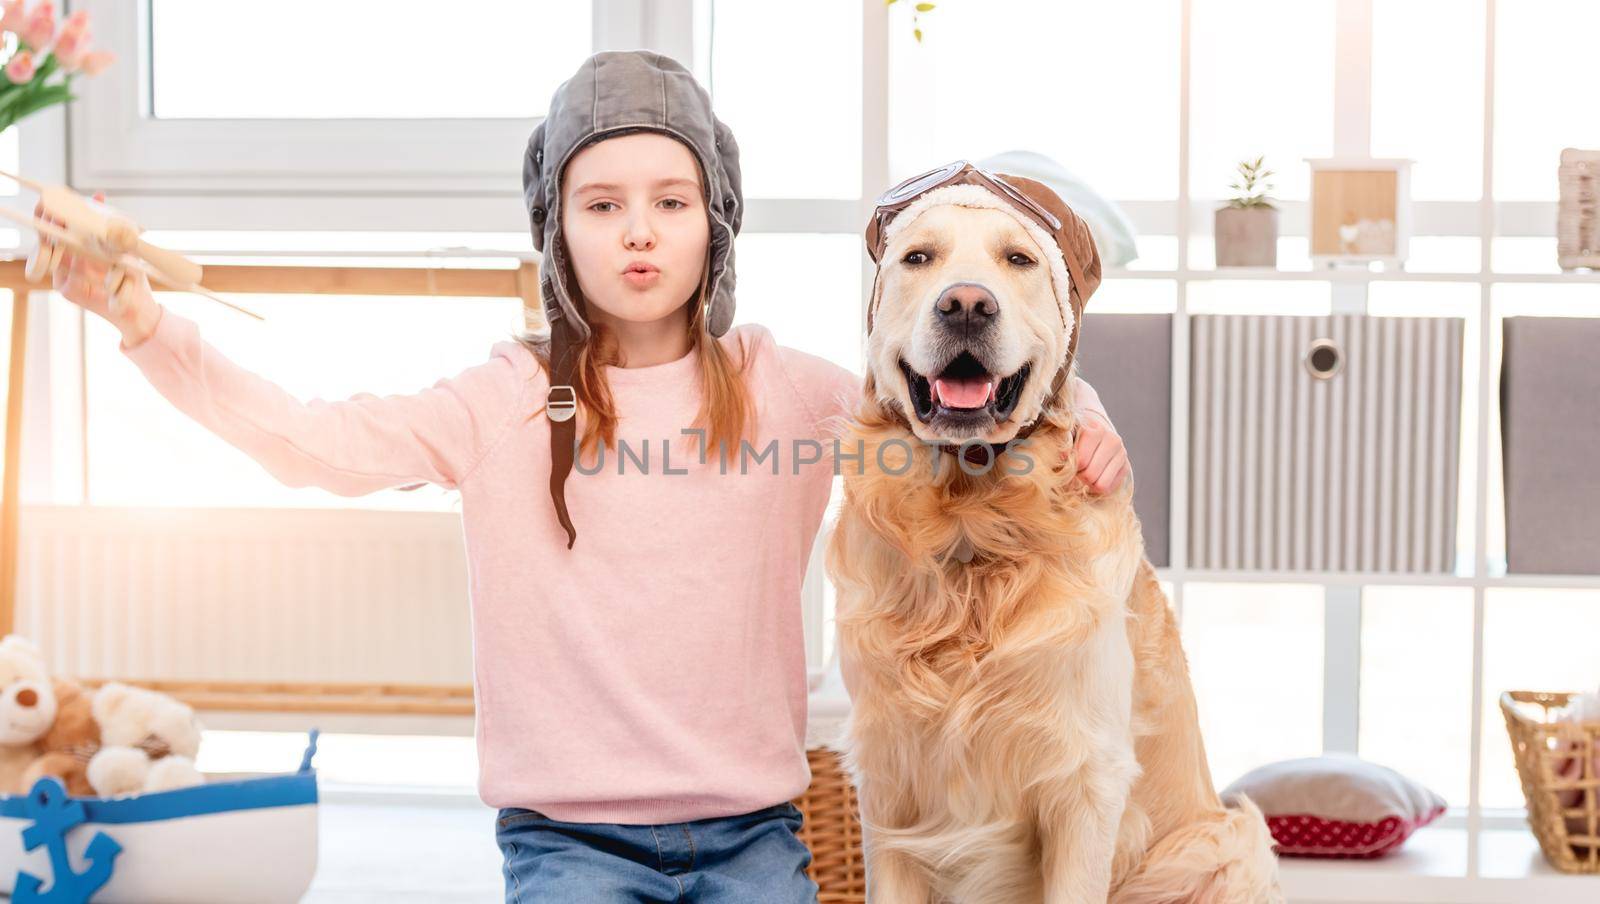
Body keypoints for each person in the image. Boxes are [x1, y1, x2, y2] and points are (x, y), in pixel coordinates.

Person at [49, 50, 1129, 903]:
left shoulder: (794, 396)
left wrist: (1086, 415)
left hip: (754, 834)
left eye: (670, 200)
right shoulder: (501, 402)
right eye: (600, 203)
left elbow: (952, 394)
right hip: (568, 844)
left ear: (717, 224)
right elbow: (306, 439)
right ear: (555, 230)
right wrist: (144, 324)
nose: (639, 232)